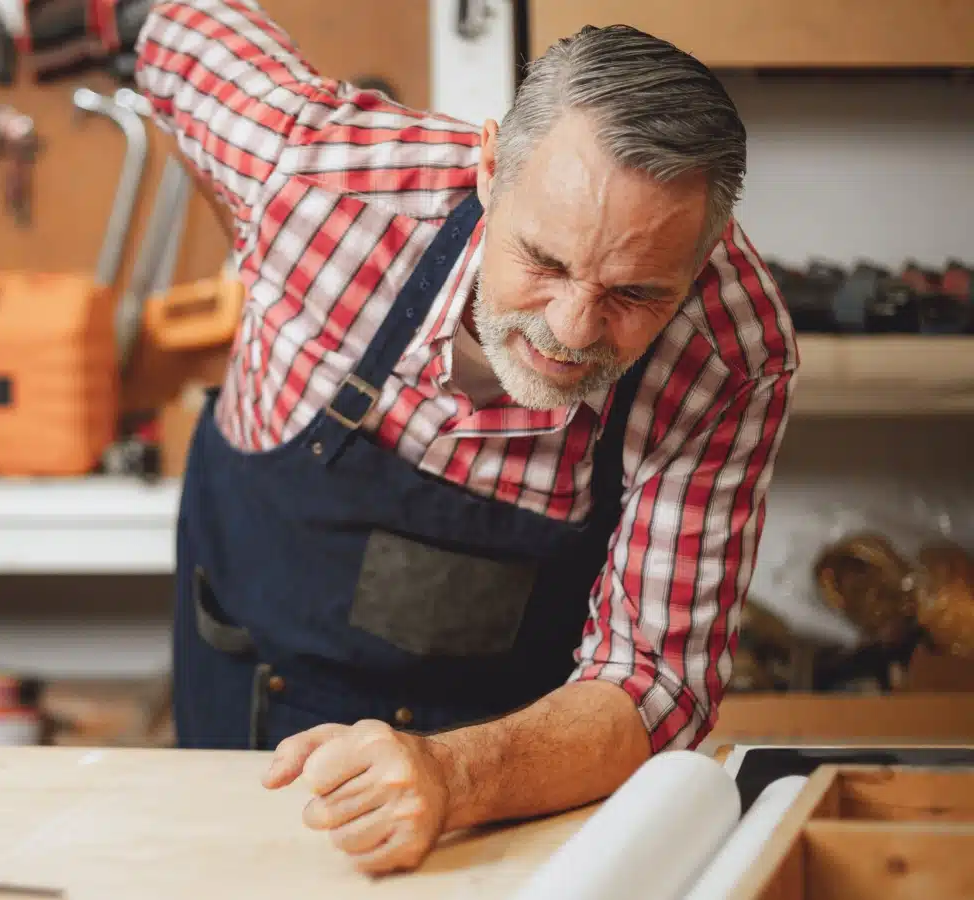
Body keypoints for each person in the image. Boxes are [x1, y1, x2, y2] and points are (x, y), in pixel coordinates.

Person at [130, 0, 798, 876]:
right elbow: (177, 24)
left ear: (699, 260)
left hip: (494, 794)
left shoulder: (729, 354)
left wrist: (455, 773)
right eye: (546, 263)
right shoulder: (312, 176)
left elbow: (658, 681)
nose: (571, 328)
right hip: (241, 712)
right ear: (488, 167)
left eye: (633, 295)